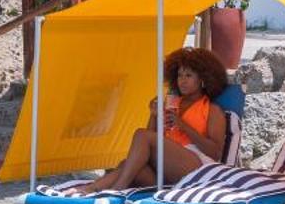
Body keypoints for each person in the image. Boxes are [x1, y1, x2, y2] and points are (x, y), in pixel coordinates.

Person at [77, 46, 229, 193]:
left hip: (196, 169)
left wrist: (183, 126)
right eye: (179, 75)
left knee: (141, 135)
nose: (182, 80)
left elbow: (215, 153)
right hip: (167, 171)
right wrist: (154, 115)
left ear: (203, 79)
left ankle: (118, 188)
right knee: (131, 164)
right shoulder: (173, 104)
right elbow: (146, 146)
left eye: (188, 75)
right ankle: (90, 190)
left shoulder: (212, 110)